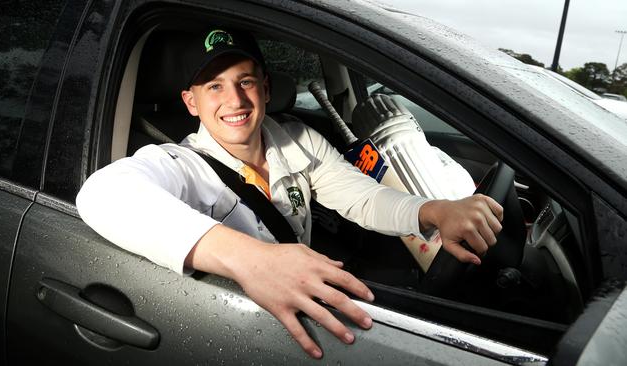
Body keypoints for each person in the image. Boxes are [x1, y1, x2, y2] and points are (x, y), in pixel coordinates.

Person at [76, 27, 503, 359]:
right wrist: (251, 260)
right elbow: (102, 193)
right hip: (224, 327)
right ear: (191, 102)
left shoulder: (296, 139)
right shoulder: (181, 165)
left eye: (244, 81)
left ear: (264, 86)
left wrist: (433, 209)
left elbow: (363, 197)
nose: (234, 100)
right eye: (214, 87)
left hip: (300, 309)